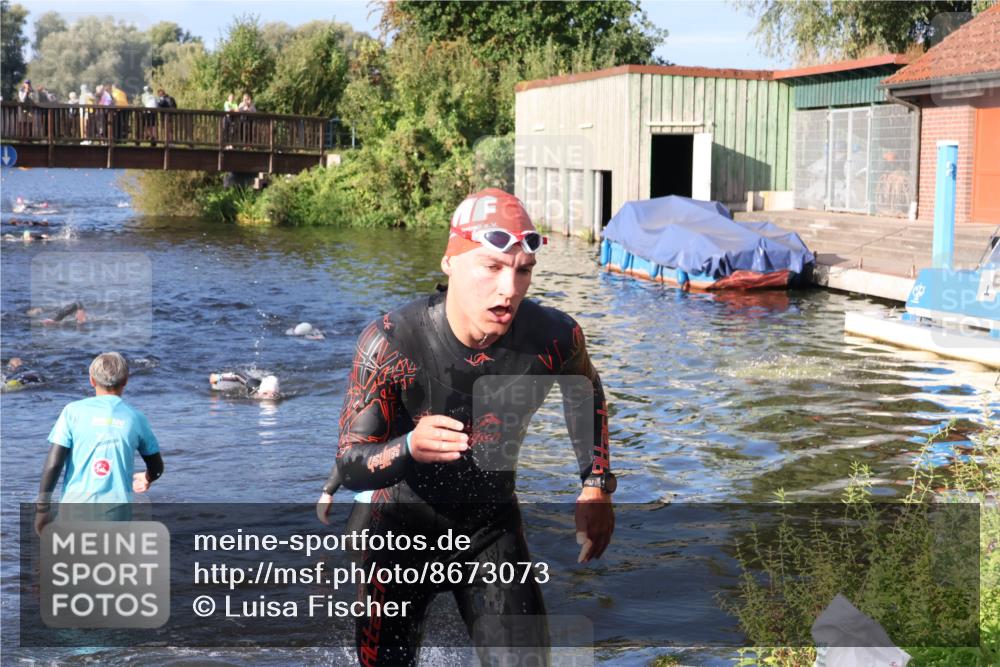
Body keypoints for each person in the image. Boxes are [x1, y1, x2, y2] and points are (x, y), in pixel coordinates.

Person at [315, 188, 615, 666]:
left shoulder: (555, 337)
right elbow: (350, 464)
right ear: (450, 263)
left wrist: (595, 486)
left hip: (488, 528)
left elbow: (586, 392)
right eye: (493, 266)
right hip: (396, 532)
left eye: (523, 270)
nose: (510, 289)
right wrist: (410, 446)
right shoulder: (390, 342)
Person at [34, 352, 163, 533]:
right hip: (116, 515)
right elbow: (157, 467)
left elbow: (54, 464)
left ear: (92, 380)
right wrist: (148, 477)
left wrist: (42, 508)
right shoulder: (136, 418)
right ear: (125, 380)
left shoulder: (72, 412)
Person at [209, 372, 280, 399]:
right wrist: (218, 377)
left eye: (274, 394)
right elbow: (237, 376)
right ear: (259, 392)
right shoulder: (254, 387)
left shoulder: (276, 396)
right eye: (265, 393)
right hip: (255, 383)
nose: (270, 396)